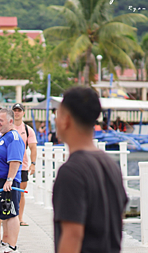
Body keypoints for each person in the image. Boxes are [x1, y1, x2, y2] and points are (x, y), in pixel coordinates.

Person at [52, 87, 127, 253]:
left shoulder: (71, 171)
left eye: (58, 114)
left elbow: (72, 236)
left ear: (66, 119)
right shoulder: (110, 164)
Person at [0, 109, 25, 253]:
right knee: (4, 213)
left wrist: (9, 179)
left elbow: (15, 160)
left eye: (1, 120)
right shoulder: (3, 136)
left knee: (11, 213)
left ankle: (11, 246)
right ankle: (5, 242)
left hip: (8, 181)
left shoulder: (13, 137)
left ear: (10, 121)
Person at [12, 103, 37, 227]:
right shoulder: (7, 128)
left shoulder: (27, 130)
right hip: (8, 165)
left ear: (23, 113)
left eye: (19, 111)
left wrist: (33, 164)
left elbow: (33, 147)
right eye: (15, 110)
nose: (17, 113)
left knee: (21, 192)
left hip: (22, 166)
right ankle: (7, 217)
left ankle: (20, 218)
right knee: (7, 191)